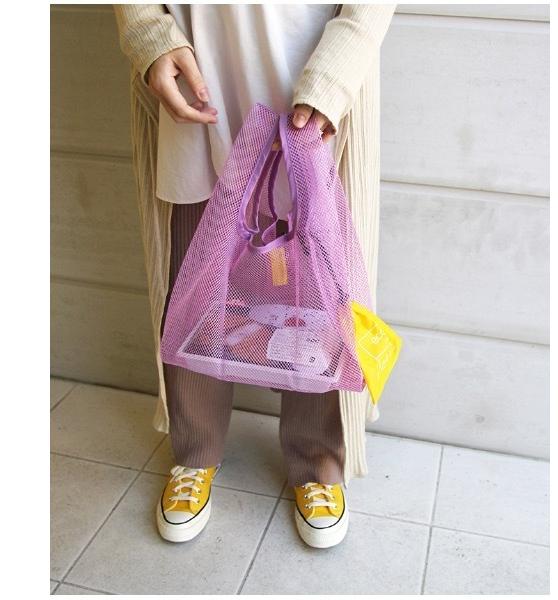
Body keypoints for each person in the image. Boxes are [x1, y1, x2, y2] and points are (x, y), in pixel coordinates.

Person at [113, 3, 394, 549]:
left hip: (309, 64)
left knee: (319, 285)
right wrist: (148, 33)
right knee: (193, 281)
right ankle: (195, 451)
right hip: (197, 68)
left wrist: (334, 77)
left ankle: (316, 459)